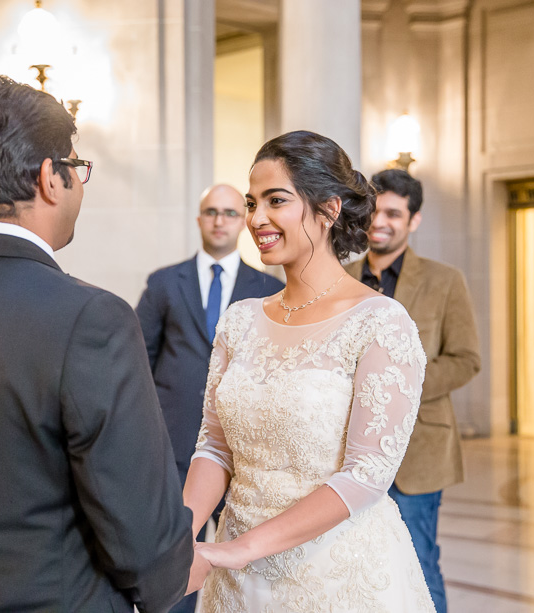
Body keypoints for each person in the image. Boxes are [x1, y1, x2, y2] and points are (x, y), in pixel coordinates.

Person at [0, 73, 194, 612]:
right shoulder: (92, 318)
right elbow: (143, 527)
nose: (81, 183)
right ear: (50, 176)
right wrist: (168, 585)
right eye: (78, 167)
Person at [182, 130, 435, 611]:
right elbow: (214, 447)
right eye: (252, 203)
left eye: (276, 201)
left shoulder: (380, 322)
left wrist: (236, 550)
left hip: (334, 575)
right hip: (236, 581)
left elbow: (366, 474)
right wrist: (179, 534)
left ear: (330, 208)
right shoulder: (239, 321)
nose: (256, 219)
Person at [135, 183, 282, 613]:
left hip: (246, 447)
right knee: (181, 555)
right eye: (212, 212)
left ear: (243, 221)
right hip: (177, 440)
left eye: (230, 213)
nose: (220, 220)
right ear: (200, 219)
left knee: (248, 562)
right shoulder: (164, 282)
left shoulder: (268, 286)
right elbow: (139, 356)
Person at [345, 169, 481, 612]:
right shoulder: (340, 277)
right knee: (352, 565)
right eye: (374, 210)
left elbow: (466, 359)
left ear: (413, 220)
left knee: (419, 563)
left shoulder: (445, 281)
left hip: (418, 455)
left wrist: (396, 386)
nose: (379, 221)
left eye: (393, 213)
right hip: (345, 451)